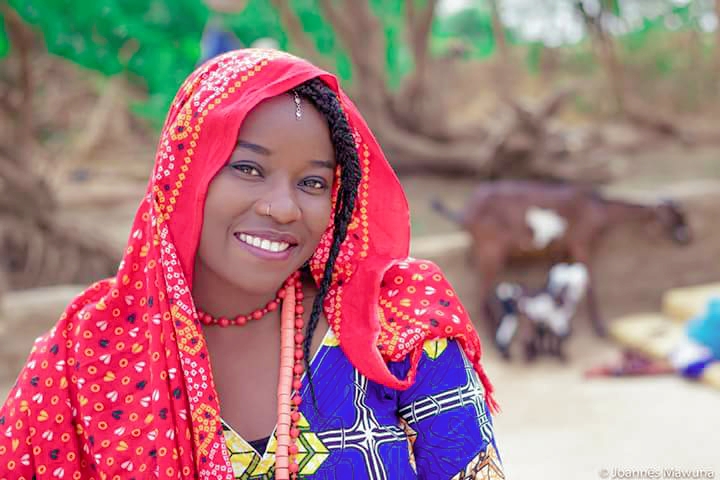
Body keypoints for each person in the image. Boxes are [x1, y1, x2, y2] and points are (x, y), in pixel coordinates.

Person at [0, 49, 504, 479]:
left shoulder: (398, 323)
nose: (283, 207)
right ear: (184, 174)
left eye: (312, 183)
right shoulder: (84, 357)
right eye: (247, 168)